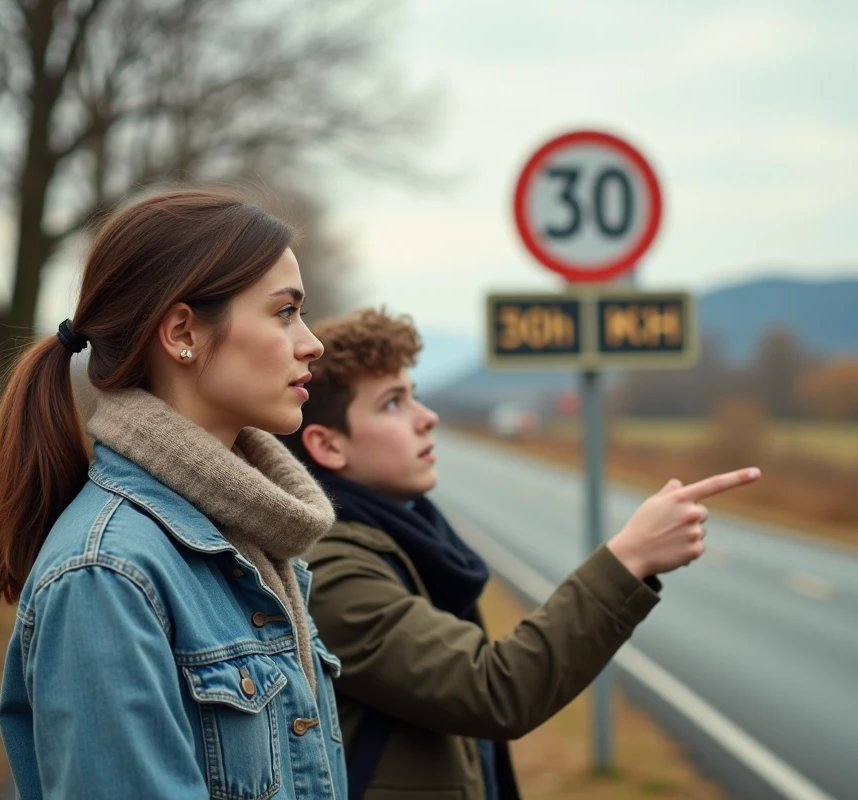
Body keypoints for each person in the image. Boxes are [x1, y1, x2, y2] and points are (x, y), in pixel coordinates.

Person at [279, 308, 761, 800]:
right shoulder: (328, 567)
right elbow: (494, 689)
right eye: (393, 404)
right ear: (329, 446)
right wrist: (628, 560)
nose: (428, 418)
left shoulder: (402, 535)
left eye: (415, 396)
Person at [0, 189, 348, 799]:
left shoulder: (248, 541)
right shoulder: (107, 575)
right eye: (283, 312)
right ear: (182, 332)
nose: (311, 343)